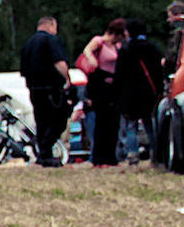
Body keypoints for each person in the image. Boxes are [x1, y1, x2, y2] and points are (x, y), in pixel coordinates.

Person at [20, 16, 72, 167]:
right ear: (51, 25)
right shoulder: (50, 40)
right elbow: (59, 62)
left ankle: (44, 154)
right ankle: (45, 149)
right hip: (51, 87)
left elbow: (23, 70)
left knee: (41, 122)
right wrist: (67, 78)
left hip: (34, 88)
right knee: (59, 120)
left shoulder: (27, 44)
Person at [114, 18, 165, 163]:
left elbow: (119, 75)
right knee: (150, 125)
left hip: (130, 95)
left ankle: (132, 154)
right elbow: (158, 72)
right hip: (149, 93)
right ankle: (156, 154)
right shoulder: (152, 48)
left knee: (131, 127)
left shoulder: (126, 50)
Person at [79, 18, 127, 167]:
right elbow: (87, 50)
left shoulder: (117, 46)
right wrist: (91, 59)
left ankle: (111, 157)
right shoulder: (99, 41)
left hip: (113, 86)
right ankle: (99, 158)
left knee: (113, 122)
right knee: (102, 122)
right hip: (100, 84)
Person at [164, 0, 184, 76]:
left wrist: (166, 62)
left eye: (170, 16)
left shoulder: (180, 33)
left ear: (178, 16)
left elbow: (174, 54)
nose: (168, 20)